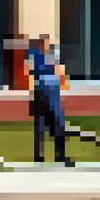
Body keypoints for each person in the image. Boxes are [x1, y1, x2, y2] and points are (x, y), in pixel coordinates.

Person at [24, 34, 73, 166]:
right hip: (44, 95)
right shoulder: (37, 57)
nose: (47, 45)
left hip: (51, 95)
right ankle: (41, 157)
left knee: (57, 129)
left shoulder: (50, 57)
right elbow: (37, 72)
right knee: (42, 129)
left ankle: (59, 157)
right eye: (45, 43)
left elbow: (58, 73)